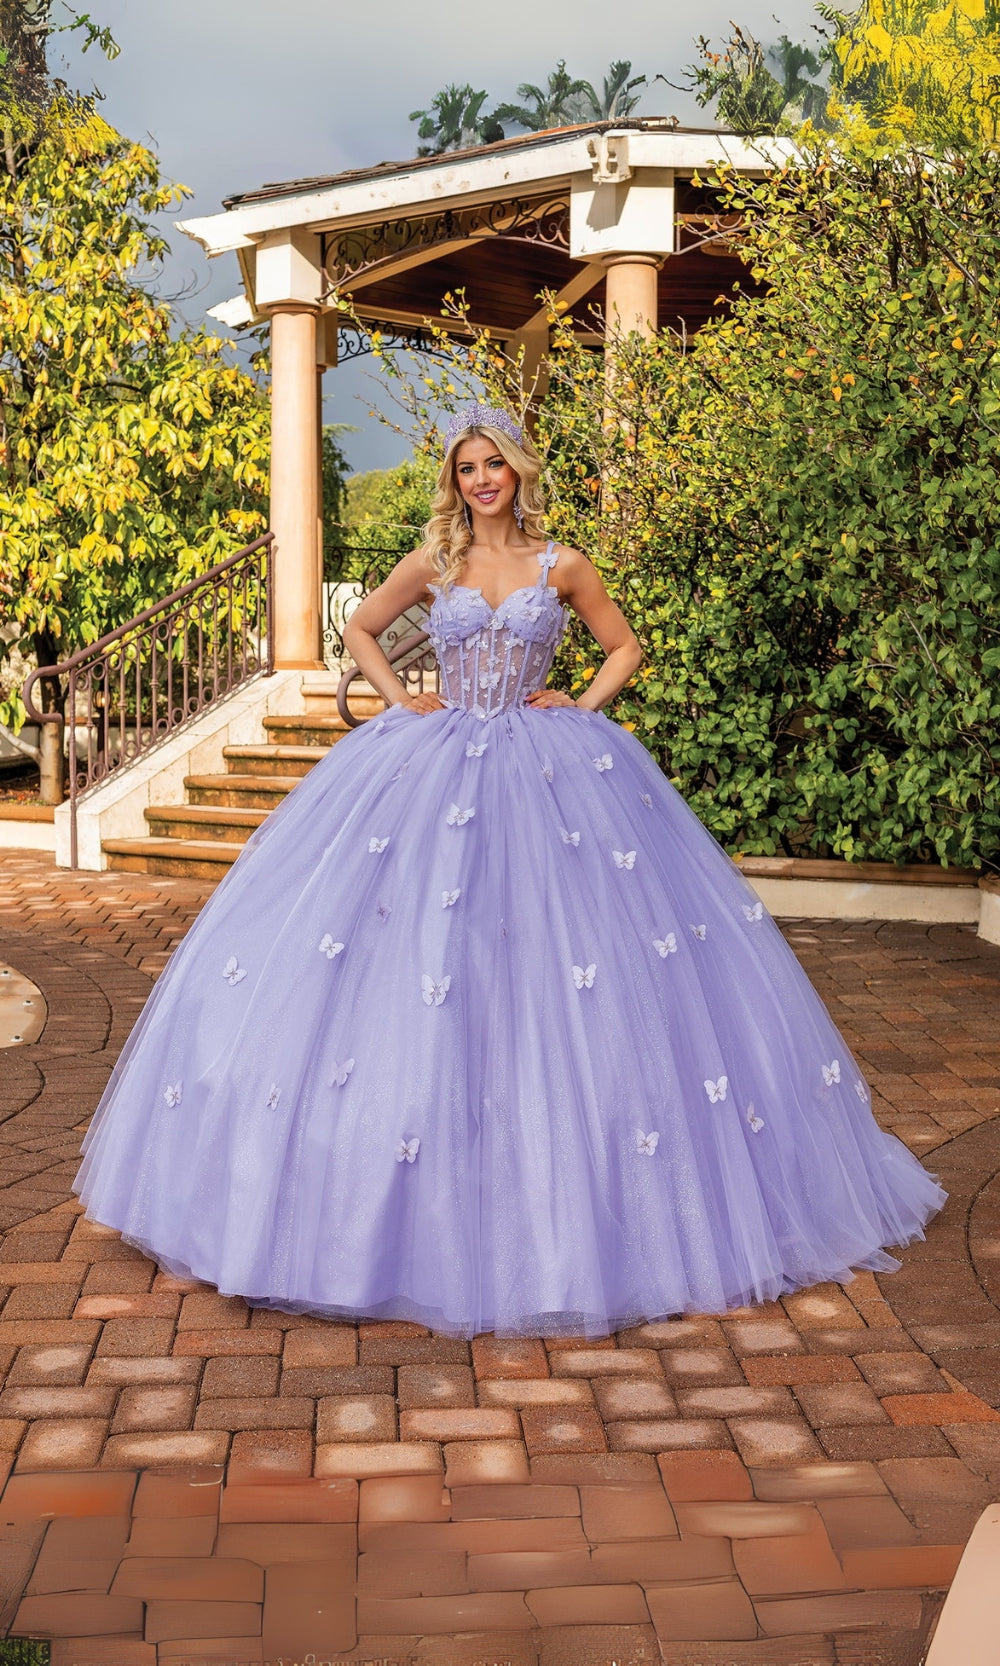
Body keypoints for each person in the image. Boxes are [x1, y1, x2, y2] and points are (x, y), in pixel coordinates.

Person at [73, 403, 945, 1339]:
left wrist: (582, 699)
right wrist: (403, 696)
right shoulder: (435, 563)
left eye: (493, 465)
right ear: (453, 482)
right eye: (465, 469)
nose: (480, 479)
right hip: (432, 759)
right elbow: (364, 630)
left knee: (556, 961)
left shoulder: (559, 563)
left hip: (546, 764)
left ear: (518, 472)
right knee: (416, 956)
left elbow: (626, 646)